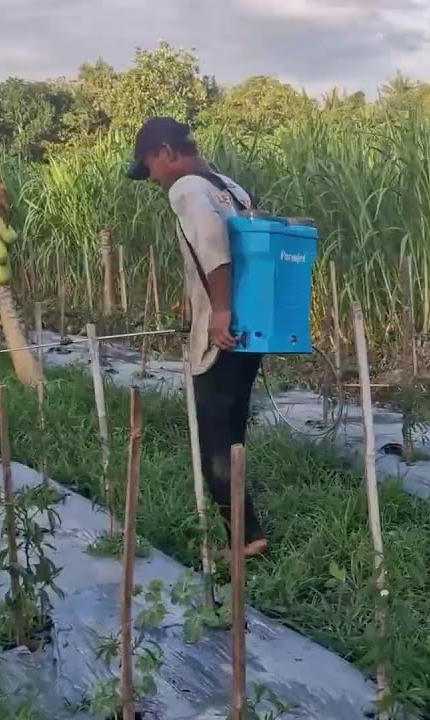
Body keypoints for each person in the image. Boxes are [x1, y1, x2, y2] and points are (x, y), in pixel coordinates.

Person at [126, 116, 269, 559]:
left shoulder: (186, 189)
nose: (150, 177)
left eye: (148, 165)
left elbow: (213, 246)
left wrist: (219, 312)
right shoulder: (228, 185)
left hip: (225, 329)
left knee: (214, 438)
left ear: (166, 152)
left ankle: (242, 540)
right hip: (252, 326)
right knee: (233, 428)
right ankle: (250, 532)